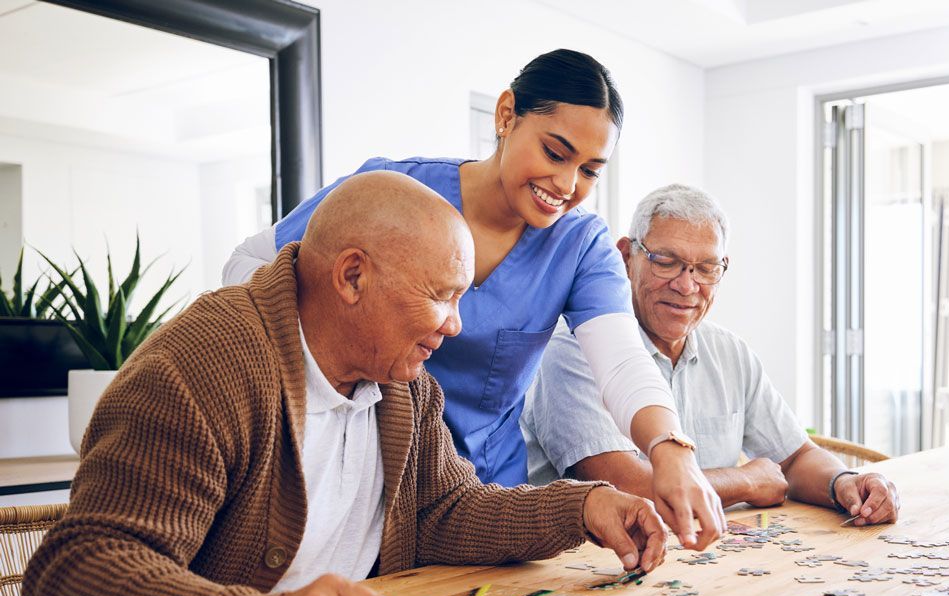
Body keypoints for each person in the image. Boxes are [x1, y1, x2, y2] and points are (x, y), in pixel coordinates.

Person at [8, 172, 672, 596]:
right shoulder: (203, 365)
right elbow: (76, 573)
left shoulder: (403, 388)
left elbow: (443, 512)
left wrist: (579, 506)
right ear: (352, 276)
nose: (456, 324)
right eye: (441, 295)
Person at [223, 49, 722, 546]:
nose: (567, 185)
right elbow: (247, 264)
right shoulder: (398, 192)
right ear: (506, 115)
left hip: (480, 494)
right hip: (369, 473)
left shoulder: (579, 244)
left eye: (590, 170)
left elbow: (622, 363)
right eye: (555, 153)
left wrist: (670, 448)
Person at [522, 184, 901, 525]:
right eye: (666, 261)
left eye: (706, 268)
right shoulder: (572, 351)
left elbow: (796, 457)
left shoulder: (730, 352)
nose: (687, 286)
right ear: (626, 257)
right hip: (591, 573)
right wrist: (746, 480)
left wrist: (845, 483)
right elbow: (629, 490)